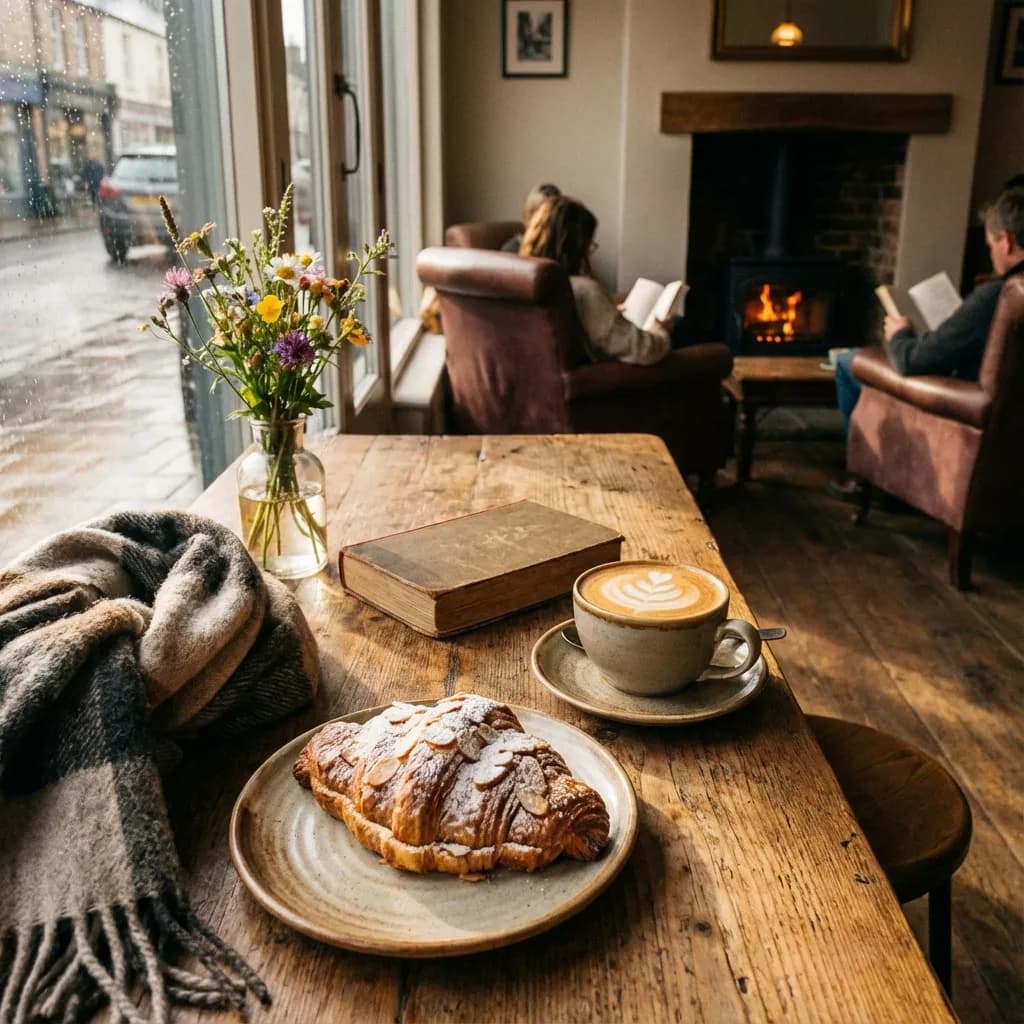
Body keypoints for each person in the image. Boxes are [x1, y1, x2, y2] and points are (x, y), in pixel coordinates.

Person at [831, 186, 1024, 499]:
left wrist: (899, 333)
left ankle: (865, 481)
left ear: (1006, 241)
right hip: (1006, 420)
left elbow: (912, 361)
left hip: (964, 400)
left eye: (990, 246)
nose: (991, 256)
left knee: (848, 363)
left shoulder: (999, 295)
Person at [519, 195, 673, 366]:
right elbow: (643, 351)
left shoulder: (522, 281)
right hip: (597, 384)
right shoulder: (585, 291)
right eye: (589, 245)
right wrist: (660, 332)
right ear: (577, 247)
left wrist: (610, 312)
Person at [500, 182, 561, 253]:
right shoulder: (513, 248)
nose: (548, 220)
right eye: (542, 214)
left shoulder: (562, 248)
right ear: (529, 216)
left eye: (554, 213)